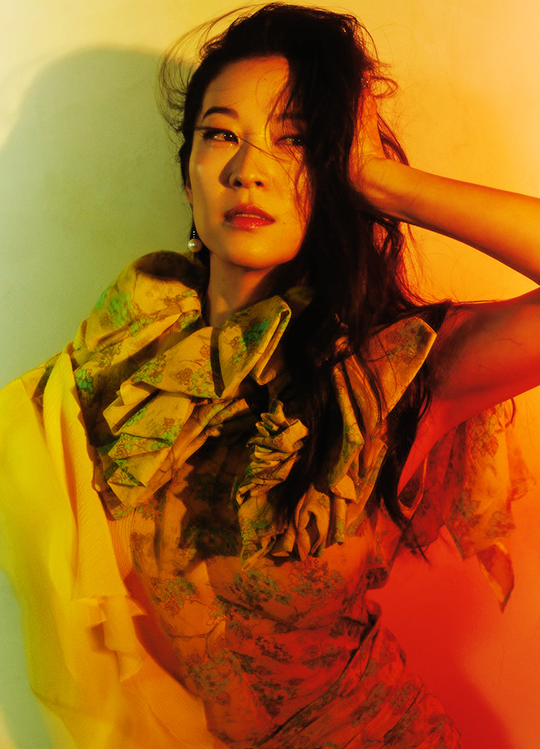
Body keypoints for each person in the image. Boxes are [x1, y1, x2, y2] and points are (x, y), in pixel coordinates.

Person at [0, 3, 538, 748]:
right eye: (221, 134)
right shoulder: (121, 354)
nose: (247, 170)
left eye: (294, 141)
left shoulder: (388, 367)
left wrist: (379, 180)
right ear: (188, 177)